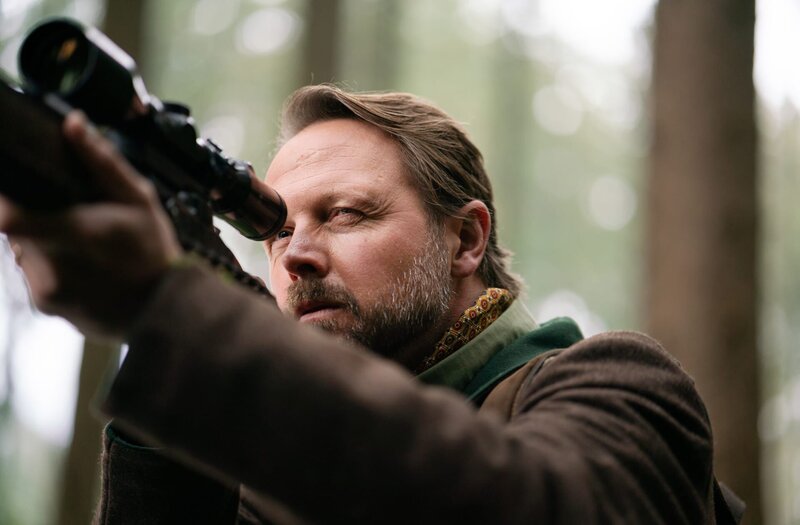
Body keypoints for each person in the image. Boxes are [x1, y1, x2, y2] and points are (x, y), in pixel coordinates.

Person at [0, 85, 738, 524]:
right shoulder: (264, 473)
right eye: (278, 228)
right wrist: (165, 342)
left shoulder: (625, 388)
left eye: (347, 213)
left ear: (466, 240)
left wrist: (174, 307)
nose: (298, 253)